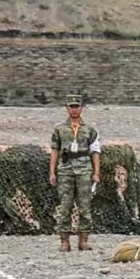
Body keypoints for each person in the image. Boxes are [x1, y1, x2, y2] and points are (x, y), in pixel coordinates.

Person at [49, 94, 101, 251]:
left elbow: (95, 151)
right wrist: (52, 172)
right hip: (65, 169)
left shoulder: (90, 130)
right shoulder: (59, 129)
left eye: (77, 106)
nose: (74, 109)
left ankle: (83, 239)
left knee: (84, 205)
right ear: (66, 108)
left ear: (82, 108)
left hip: (84, 168)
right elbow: (54, 150)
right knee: (65, 205)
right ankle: (64, 241)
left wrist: (96, 172)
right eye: (71, 106)